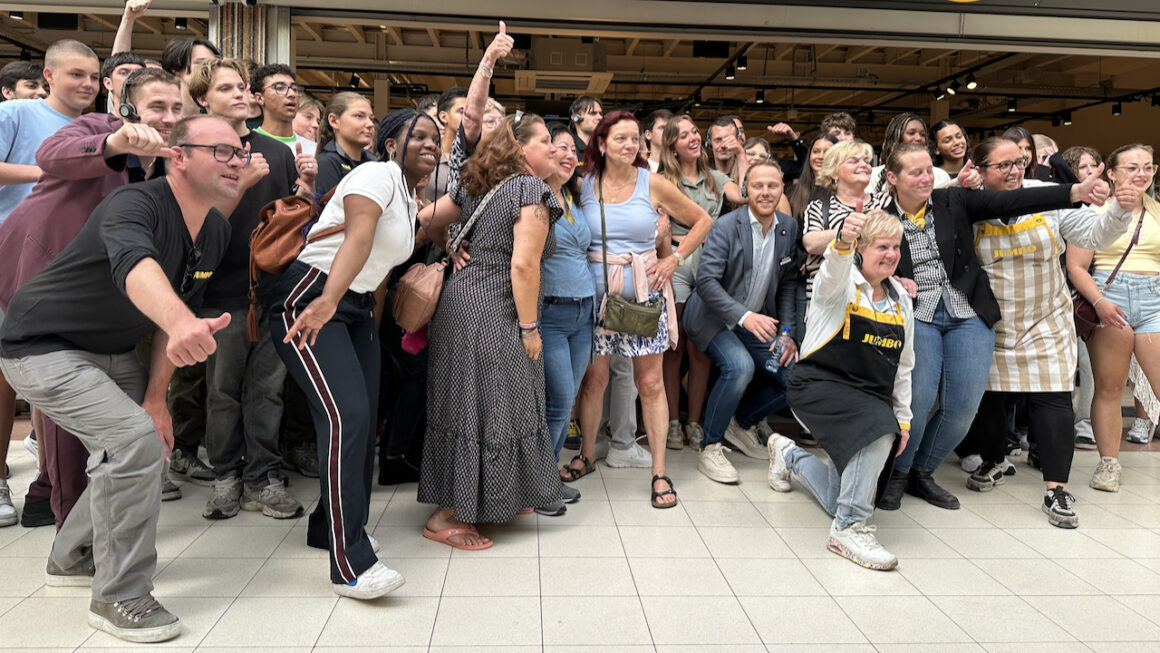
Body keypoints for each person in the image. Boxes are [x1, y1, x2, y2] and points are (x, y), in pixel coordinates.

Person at [0, 115, 240, 642]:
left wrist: (158, 398)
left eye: (239, 149)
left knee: (145, 442)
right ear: (179, 156)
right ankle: (120, 596)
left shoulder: (215, 228)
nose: (237, 159)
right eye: (221, 151)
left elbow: (177, 310)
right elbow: (136, 266)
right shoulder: (136, 203)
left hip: (110, 350)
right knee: (132, 443)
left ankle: (68, 558)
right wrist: (180, 323)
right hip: (41, 346)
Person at [875, 141, 1102, 513]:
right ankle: (898, 474)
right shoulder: (881, 217)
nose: (925, 178)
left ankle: (923, 471)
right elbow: (866, 264)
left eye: (928, 171)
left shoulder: (954, 201)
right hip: (920, 316)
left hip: (968, 312)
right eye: (915, 172)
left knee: (963, 407)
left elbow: (1011, 203)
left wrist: (1073, 192)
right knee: (916, 401)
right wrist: (892, 281)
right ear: (892, 178)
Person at [0, 67, 181, 529]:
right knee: (64, 408)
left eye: (177, 107)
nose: (168, 117)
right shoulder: (98, 128)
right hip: (45, 283)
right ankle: (67, 522)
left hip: (113, 301)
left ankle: (54, 498)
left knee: (104, 417)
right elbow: (51, 154)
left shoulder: (176, 158)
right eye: (157, 106)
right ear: (127, 106)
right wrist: (116, 143)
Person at [269, 108, 438, 597]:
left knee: (363, 422)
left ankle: (330, 527)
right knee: (347, 417)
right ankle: (351, 564)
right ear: (389, 144)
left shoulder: (408, 196)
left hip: (353, 306)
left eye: (435, 138)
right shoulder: (375, 174)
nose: (429, 143)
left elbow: (381, 263)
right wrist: (325, 302)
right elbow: (359, 236)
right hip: (312, 296)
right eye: (417, 135)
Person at [962, 136, 1132, 528]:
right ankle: (996, 460)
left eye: (1019, 162)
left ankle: (1056, 488)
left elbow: (1094, 235)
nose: (1014, 170)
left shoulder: (1048, 195)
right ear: (981, 170)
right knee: (988, 400)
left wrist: (1119, 211)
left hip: (1046, 317)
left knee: (1053, 398)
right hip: (993, 319)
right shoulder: (969, 203)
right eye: (1003, 165)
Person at [417, 112, 565, 548]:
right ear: (522, 150)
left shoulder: (477, 184)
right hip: (496, 313)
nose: (555, 149)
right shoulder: (531, 189)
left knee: (471, 404)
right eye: (546, 142)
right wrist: (530, 328)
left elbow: (426, 218)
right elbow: (523, 265)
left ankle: (489, 497)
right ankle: (447, 517)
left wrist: (451, 245)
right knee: (494, 405)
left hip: (461, 307)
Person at [188, 57, 317, 521]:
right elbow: (194, 224)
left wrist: (308, 193)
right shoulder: (195, 151)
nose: (240, 94)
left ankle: (264, 475)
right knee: (222, 389)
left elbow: (290, 222)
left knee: (268, 389)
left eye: (243, 87)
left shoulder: (277, 152)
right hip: (218, 291)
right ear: (204, 99)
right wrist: (239, 185)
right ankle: (225, 475)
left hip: (272, 289)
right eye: (227, 88)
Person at [564, 110, 712, 508]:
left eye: (636, 140)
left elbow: (702, 220)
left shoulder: (655, 184)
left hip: (643, 295)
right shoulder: (584, 185)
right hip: (595, 297)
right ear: (600, 143)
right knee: (594, 381)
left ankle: (660, 471)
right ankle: (587, 455)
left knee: (649, 383)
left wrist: (674, 259)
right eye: (621, 139)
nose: (631, 146)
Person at [767, 208, 912, 571]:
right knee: (879, 428)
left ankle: (788, 455)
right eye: (882, 246)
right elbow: (833, 268)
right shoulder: (840, 286)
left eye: (896, 246)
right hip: (818, 386)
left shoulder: (901, 301)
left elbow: (904, 366)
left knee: (838, 496)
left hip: (866, 402)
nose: (891, 254)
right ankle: (848, 527)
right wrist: (843, 240)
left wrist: (905, 420)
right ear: (861, 248)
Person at [683, 160, 799, 483]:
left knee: (794, 374)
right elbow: (706, 282)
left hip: (756, 323)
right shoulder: (726, 226)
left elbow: (789, 284)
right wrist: (744, 317)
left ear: (781, 189)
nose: (765, 192)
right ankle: (711, 447)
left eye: (772, 186)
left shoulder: (789, 228)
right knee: (741, 366)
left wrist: (787, 333)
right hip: (713, 318)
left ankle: (741, 422)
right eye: (757, 185)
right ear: (745, 189)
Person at [1066, 144, 1160, 492]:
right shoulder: (1093, 210)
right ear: (1112, 173)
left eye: (1148, 167)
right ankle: (1109, 465)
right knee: (1109, 387)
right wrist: (1100, 302)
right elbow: (1076, 266)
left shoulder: (1156, 211)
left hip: (1154, 300)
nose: (1142, 174)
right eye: (1133, 167)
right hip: (1109, 297)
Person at [656, 114, 743, 451]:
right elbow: (659, 226)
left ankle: (694, 422)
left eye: (695, 132)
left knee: (701, 347)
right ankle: (672, 422)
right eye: (683, 135)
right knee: (674, 346)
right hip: (675, 261)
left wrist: (742, 154)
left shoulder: (718, 178)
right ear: (672, 146)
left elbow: (745, 195)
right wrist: (691, 235)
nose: (692, 138)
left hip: (710, 266)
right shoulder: (663, 180)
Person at [535, 121, 591, 516]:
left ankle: (548, 475)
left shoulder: (572, 197)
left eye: (575, 149)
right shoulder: (535, 196)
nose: (570, 155)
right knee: (557, 400)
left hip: (584, 311)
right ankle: (540, 485)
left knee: (566, 399)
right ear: (543, 150)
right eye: (561, 147)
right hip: (551, 311)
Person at [0, 39, 100, 225]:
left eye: (94, 77)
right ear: (49, 76)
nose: (88, 84)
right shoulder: (13, 112)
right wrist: (46, 171)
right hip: (12, 239)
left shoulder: (96, 129)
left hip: (68, 242)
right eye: (77, 74)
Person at [1061, 145, 1104, 450]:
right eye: (1083, 167)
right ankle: (1058, 424)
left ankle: (1085, 423)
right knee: (1066, 367)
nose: (1090, 171)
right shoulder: (1067, 206)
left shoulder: (1112, 206)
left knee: (1090, 366)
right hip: (1070, 295)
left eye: (1094, 165)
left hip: (1100, 295)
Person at [314, 92, 378, 197]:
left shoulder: (375, 163)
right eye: (359, 116)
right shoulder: (325, 164)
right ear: (334, 121)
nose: (370, 124)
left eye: (371, 118)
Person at [869, 112, 952, 192]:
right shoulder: (873, 176)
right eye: (911, 133)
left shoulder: (940, 175)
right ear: (896, 137)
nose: (918, 138)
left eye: (923, 134)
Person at [251, 63, 315, 155]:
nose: (292, 94)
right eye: (280, 88)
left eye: (295, 88)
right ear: (260, 98)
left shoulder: (314, 150)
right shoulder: (246, 145)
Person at [159, 37, 220, 118]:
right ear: (176, 69)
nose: (209, 68)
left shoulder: (220, 114)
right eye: (202, 63)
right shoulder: (163, 116)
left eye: (214, 64)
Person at [100, 52, 145, 116]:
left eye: (138, 73)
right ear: (108, 83)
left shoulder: (157, 122)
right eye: (123, 73)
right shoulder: (96, 124)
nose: (132, 77)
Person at [569, 95, 602, 164]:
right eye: (593, 113)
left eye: (600, 113)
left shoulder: (605, 145)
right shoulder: (567, 146)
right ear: (576, 117)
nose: (600, 117)